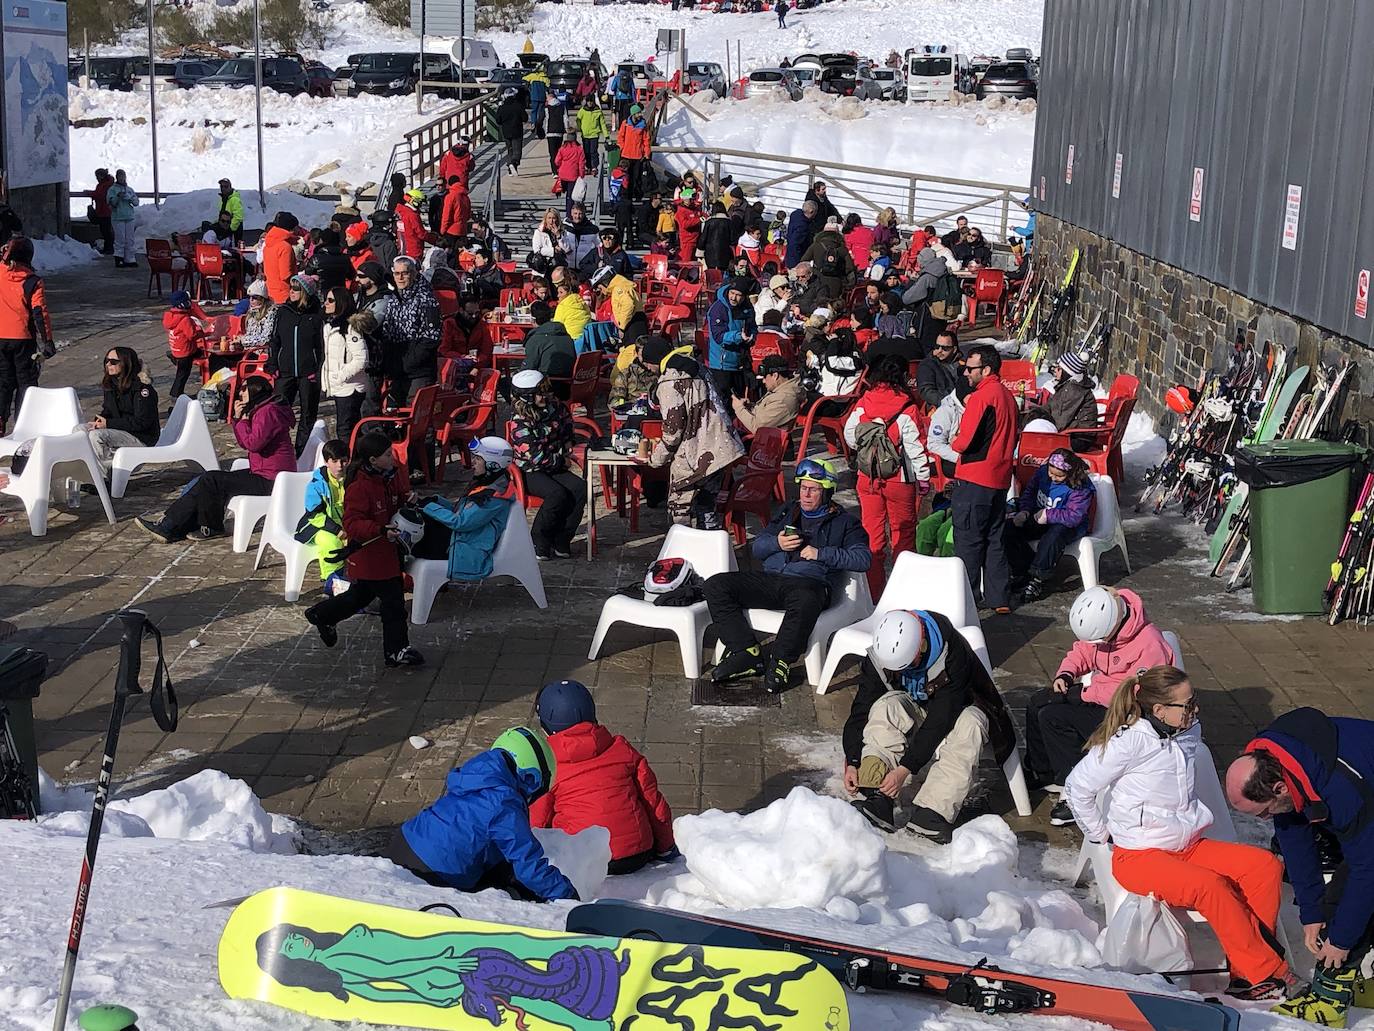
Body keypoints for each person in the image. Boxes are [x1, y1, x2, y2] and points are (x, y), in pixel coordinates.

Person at [1066, 666, 1297, 1002]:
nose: (1195, 710)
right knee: (1211, 887)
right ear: (1159, 710)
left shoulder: (1189, 731)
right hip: (1140, 857)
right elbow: (1077, 788)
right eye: (1187, 705)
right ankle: (1266, 971)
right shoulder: (1128, 742)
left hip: (1188, 845)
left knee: (1264, 866)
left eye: (1195, 701)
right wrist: (1100, 834)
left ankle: (1247, 973)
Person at [1226, 708, 1374, 1024]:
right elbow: (1294, 837)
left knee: (1350, 898)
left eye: (1264, 813)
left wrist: (1341, 939)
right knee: (1339, 905)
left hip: (1363, 792)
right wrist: (1311, 912)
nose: (1264, 820)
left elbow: (1367, 871)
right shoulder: (1276, 763)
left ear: (1279, 788)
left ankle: (1329, 1003)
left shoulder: (1341, 789)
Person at [842, 609, 1015, 839]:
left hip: (959, 713)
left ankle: (932, 811)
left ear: (920, 646)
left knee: (972, 724)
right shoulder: (880, 657)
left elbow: (940, 720)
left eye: (904, 666)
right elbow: (861, 709)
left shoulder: (952, 653)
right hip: (917, 711)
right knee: (885, 706)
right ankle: (878, 796)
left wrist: (904, 769)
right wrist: (852, 760)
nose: (898, 672)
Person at [705, 457, 869, 692]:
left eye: (813, 490)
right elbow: (758, 548)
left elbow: (863, 559)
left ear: (827, 492)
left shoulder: (845, 523)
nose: (806, 495)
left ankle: (781, 660)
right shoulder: (788, 511)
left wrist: (821, 553)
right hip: (772, 579)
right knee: (716, 585)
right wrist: (777, 543)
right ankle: (745, 651)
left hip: (809, 584)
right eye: (803, 488)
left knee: (804, 599)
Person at [1025, 585, 1175, 823]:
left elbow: (1135, 692)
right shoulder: (1105, 626)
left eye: (1102, 639)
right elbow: (1083, 651)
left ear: (1114, 626)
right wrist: (1066, 673)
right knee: (1037, 703)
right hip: (1099, 696)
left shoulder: (1149, 644)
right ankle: (1043, 771)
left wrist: (1085, 694)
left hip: (1129, 714)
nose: (1099, 643)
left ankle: (1074, 788)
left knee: (1053, 717)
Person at [386, 726, 576, 901]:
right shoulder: (504, 802)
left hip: (405, 842)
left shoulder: (476, 775)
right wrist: (568, 897)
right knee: (507, 890)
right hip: (435, 872)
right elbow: (529, 866)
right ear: (529, 777)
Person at [530, 679, 678, 874]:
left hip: (585, 858)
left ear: (546, 726)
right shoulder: (621, 749)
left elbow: (537, 821)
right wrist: (666, 847)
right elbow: (653, 802)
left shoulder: (549, 765)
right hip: (637, 853)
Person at [302, 431, 424, 667]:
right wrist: (379, 529)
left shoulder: (387, 477)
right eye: (388, 455)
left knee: (361, 596)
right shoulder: (360, 487)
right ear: (373, 460)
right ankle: (396, 650)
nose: (392, 458)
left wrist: (407, 500)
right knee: (393, 603)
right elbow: (352, 523)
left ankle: (323, 614)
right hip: (370, 553)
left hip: (384, 552)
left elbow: (394, 501)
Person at [136, 375, 294, 542]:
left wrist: (241, 421)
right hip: (264, 472)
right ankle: (175, 525)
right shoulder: (263, 409)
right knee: (207, 480)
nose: (240, 392)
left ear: (256, 389)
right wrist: (238, 419)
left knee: (212, 479)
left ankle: (199, 527)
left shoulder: (268, 412)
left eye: (244, 388)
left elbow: (253, 444)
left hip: (272, 479)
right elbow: (245, 443)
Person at [844, 354, 932, 597]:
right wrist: (924, 479)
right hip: (899, 480)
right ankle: (902, 592)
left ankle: (874, 592)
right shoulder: (907, 406)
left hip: (867, 477)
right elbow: (916, 447)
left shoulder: (864, 402)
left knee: (872, 536)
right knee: (903, 534)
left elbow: (850, 436)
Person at [641, 334, 745, 527]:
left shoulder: (669, 382)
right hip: (721, 445)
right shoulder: (697, 367)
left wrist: (656, 460)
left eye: (647, 363)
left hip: (697, 451)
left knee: (679, 506)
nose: (647, 367)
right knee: (707, 505)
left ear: (655, 360)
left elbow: (673, 432)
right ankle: (711, 547)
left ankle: (683, 550)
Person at [949, 345, 1017, 613]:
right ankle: (999, 599)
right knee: (994, 539)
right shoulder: (1008, 397)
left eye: (970, 368)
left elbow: (963, 443)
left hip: (975, 478)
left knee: (968, 542)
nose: (966, 373)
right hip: (1000, 479)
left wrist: (954, 440)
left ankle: (966, 603)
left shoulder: (981, 397)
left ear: (985, 370)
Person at [412, 436, 516, 582]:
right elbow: (460, 511)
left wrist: (426, 506)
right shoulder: (490, 484)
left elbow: (460, 522)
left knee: (418, 530)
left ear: (493, 465)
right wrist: (433, 500)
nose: (473, 462)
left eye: (478, 459)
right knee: (422, 519)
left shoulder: (492, 497)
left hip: (467, 552)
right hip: (466, 540)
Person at [510, 370, 585, 560]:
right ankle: (539, 539)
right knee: (557, 494)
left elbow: (567, 420)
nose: (546, 396)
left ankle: (562, 539)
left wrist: (568, 440)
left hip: (554, 464)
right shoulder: (519, 422)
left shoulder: (554, 407)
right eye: (540, 393)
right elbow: (535, 456)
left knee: (580, 488)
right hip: (529, 470)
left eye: (546, 391)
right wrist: (562, 460)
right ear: (527, 397)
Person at [1005, 449, 1096, 601]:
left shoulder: (1081, 487)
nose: (1053, 478)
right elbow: (1030, 492)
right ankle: (1023, 569)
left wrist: (1048, 514)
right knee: (1008, 529)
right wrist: (1025, 511)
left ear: (1069, 473)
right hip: (1039, 515)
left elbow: (1074, 517)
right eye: (1051, 473)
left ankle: (1037, 577)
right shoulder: (1042, 473)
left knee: (1053, 537)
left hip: (1069, 525)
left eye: (1059, 476)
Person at [267, 273, 325, 455]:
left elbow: (322, 346)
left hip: (309, 372)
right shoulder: (283, 312)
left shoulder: (317, 314)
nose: (291, 292)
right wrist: (273, 364)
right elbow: (274, 340)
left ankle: (302, 451)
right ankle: (278, 449)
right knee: (278, 411)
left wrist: (318, 369)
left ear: (306, 292)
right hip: (285, 371)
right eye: (291, 288)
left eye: (296, 289)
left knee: (308, 413)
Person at [85, 346, 159, 478]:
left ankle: (105, 477)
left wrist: (108, 424)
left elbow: (142, 422)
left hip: (141, 437)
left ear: (125, 363)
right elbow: (108, 409)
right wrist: (99, 421)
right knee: (80, 430)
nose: (108, 364)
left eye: (113, 362)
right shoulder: (112, 384)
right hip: (120, 431)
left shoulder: (142, 389)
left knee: (96, 436)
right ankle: (89, 471)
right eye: (106, 361)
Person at [381, 256, 442, 406]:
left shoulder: (426, 299)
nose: (400, 277)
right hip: (398, 368)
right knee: (393, 410)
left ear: (414, 274)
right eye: (397, 273)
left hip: (420, 370)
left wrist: (409, 362)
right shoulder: (394, 299)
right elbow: (387, 331)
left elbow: (432, 338)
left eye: (405, 273)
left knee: (416, 412)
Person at [294, 439, 349, 589]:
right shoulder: (316, 484)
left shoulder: (352, 480)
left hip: (346, 523)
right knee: (331, 543)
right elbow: (314, 514)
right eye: (335, 461)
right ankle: (331, 581)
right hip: (318, 526)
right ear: (326, 461)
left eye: (343, 461)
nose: (339, 465)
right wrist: (337, 530)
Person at [320, 286, 368, 446]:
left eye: (330, 300)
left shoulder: (350, 327)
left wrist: (340, 376)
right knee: (347, 428)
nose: (326, 303)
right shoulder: (330, 326)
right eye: (325, 299)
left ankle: (350, 465)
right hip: (339, 386)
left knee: (345, 429)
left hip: (350, 387)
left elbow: (361, 359)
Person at [705, 278, 757, 402]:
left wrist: (752, 336)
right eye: (732, 293)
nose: (733, 298)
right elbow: (718, 336)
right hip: (721, 364)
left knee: (740, 401)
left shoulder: (747, 308)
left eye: (738, 295)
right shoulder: (718, 309)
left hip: (740, 362)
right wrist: (738, 336)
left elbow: (753, 327)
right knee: (724, 401)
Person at [732, 354, 804, 434]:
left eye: (765, 377)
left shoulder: (783, 399)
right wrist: (749, 406)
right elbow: (766, 412)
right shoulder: (783, 391)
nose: (763, 381)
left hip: (762, 439)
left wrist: (739, 408)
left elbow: (757, 428)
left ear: (775, 376)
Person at [162, 289, 209, 403]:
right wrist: (200, 332)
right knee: (182, 374)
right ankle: (176, 394)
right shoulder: (185, 319)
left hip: (177, 349)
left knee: (195, 355)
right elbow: (191, 335)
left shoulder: (170, 316)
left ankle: (173, 357)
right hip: (185, 352)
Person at [902, 248, 952, 353]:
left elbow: (907, 298)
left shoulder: (928, 277)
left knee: (926, 346)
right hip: (941, 313)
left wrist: (912, 282)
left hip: (926, 316)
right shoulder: (944, 271)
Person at [590, 263, 647, 345]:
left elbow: (628, 305)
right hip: (634, 320)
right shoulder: (620, 285)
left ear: (605, 282)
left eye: (600, 288)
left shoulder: (619, 288)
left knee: (631, 352)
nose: (601, 291)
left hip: (633, 323)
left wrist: (622, 327)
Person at [1042, 351, 1099, 432]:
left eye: (1059, 368)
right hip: (1073, 430)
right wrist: (1037, 413)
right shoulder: (1067, 385)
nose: (1055, 370)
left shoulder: (1073, 390)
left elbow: (1060, 422)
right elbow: (1052, 406)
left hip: (1079, 436)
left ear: (1067, 372)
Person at [521, 300, 576, 380]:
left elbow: (528, 367)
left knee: (505, 384)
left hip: (547, 382)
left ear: (533, 319)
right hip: (568, 382)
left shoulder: (536, 339)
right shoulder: (565, 334)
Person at [609, 332, 659, 408]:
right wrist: (630, 405)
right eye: (643, 353)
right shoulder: (627, 373)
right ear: (636, 353)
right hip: (632, 411)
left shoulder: (658, 370)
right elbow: (614, 400)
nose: (646, 356)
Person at [263, 211, 300, 304]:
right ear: (290, 229)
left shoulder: (269, 244)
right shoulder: (285, 247)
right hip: (284, 294)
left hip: (270, 290)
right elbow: (286, 275)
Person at [917, 330, 961, 408]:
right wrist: (948, 402)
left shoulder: (963, 363)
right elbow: (926, 391)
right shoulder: (928, 365)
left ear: (954, 349)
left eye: (945, 348)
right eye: (937, 347)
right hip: (941, 408)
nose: (940, 350)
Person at [616, 104, 652, 200]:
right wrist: (622, 148)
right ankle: (626, 196)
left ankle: (637, 196)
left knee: (637, 178)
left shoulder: (643, 125)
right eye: (638, 113)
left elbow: (646, 140)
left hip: (638, 156)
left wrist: (646, 153)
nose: (640, 114)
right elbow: (620, 137)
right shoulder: (625, 124)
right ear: (633, 114)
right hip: (626, 155)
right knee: (625, 177)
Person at [107, 169, 140, 269]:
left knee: (130, 239)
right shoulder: (112, 189)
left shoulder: (129, 189)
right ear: (117, 177)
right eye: (120, 176)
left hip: (129, 216)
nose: (122, 178)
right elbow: (111, 203)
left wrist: (130, 198)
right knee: (120, 238)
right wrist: (118, 197)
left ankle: (130, 258)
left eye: (123, 176)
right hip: (118, 217)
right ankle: (119, 258)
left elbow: (136, 202)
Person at [303, 227, 349, 295]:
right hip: (340, 294)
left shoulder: (316, 258)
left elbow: (307, 277)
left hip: (320, 294)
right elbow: (351, 275)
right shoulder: (345, 258)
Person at [552, 270, 592, 343]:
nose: (558, 295)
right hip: (586, 340)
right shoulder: (582, 303)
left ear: (568, 292)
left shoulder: (562, 306)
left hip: (569, 342)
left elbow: (556, 327)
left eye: (561, 292)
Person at [496, 88, 526, 174]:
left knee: (510, 149)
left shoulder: (502, 107)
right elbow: (525, 118)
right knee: (517, 151)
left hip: (506, 131)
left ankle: (511, 169)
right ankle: (513, 163)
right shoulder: (518, 106)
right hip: (517, 131)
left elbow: (498, 120)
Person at [575, 95, 608, 173]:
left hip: (594, 134)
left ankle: (594, 166)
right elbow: (578, 120)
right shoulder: (582, 110)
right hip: (585, 135)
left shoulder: (598, 111)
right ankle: (588, 166)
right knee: (586, 151)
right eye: (588, 101)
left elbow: (602, 124)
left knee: (593, 151)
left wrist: (606, 135)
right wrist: (580, 129)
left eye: (591, 101)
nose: (590, 103)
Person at [699, 202, 735, 272]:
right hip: (724, 252)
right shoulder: (729, 222)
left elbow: (703, 238)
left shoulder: (709, 222)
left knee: (711, 272)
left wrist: (700, 250)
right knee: (723, 272)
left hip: (710, 253)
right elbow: (732, 239)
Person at [565, 202, 600, 270]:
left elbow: (599, 246)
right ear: (571, 213)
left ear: (584, 214)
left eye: (580, 214)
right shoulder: (565, 227)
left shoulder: (592, 229)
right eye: (575, 213)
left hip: (584, 267)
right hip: (568, 266)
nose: (577, 216)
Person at [785, 199, 818, 268]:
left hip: (789, 256)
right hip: (795, 260)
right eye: (815, 212)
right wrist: (798, 264)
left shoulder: (796, 214)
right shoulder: (802, 226)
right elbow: (795, 244)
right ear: (811, 211)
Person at [395, 190, 427, 260]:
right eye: (420, 202)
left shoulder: (399, 212)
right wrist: (435, 239)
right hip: (414, 250)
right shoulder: (412, 215)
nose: (420, 205)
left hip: (402, 248)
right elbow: (421, 234)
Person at [439, 176, 472, 243]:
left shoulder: (450, 196)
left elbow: (446, 215)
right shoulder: (466, 197)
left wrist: (442, 230)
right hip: (463, 231)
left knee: (449, 252)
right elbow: (468, 216)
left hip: (451, 231)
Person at [91, 168, 115, 256]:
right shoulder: (103, 184)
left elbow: (101, 195)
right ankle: (107, 248)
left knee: (107, 231)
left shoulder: (107, 185)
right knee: (104, 231)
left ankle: (109, 248)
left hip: (106, 211)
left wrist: (91, 194)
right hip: (102, 210)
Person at [674, 193, 703, 264]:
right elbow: (684, 224)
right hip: (687, 240)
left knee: (693, 262)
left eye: (693, 199)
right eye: (690, 199)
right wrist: (698, 220)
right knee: (686, 262)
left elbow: (701, 214)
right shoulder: (681, 211)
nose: (692, 201)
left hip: (695, 239)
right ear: (684, 199)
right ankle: (684, 274)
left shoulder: (694, 209)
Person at [545, 92, 569, 175]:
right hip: (559, 131)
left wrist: (545, 131)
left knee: (552, 153)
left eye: (547, 98)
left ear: (550, 98)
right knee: (559, 151)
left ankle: (554, 171)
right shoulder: (562, 106)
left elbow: (546, 119)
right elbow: (565, 118)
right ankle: (559, 168)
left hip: (550, 132)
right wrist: (566, 128)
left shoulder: (547, 107)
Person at [216, 178, 245, 245]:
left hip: (234, 227)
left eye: (225, 186)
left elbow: (238, 217)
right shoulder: (223, 199)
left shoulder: (235, 199)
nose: (223, 188)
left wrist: (230, 229)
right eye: (221, 187)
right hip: (226, 225)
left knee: (235, 248)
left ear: (230, 187)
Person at [524, 65, 550, 138]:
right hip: (542, 97)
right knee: (541, 111)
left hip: (534, 96)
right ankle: (539, 123)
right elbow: (548, 87)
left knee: (534, 111)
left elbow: (524, 79)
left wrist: (528, 87)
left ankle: (533, 123)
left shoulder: (532, 76)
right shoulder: (545, 78)